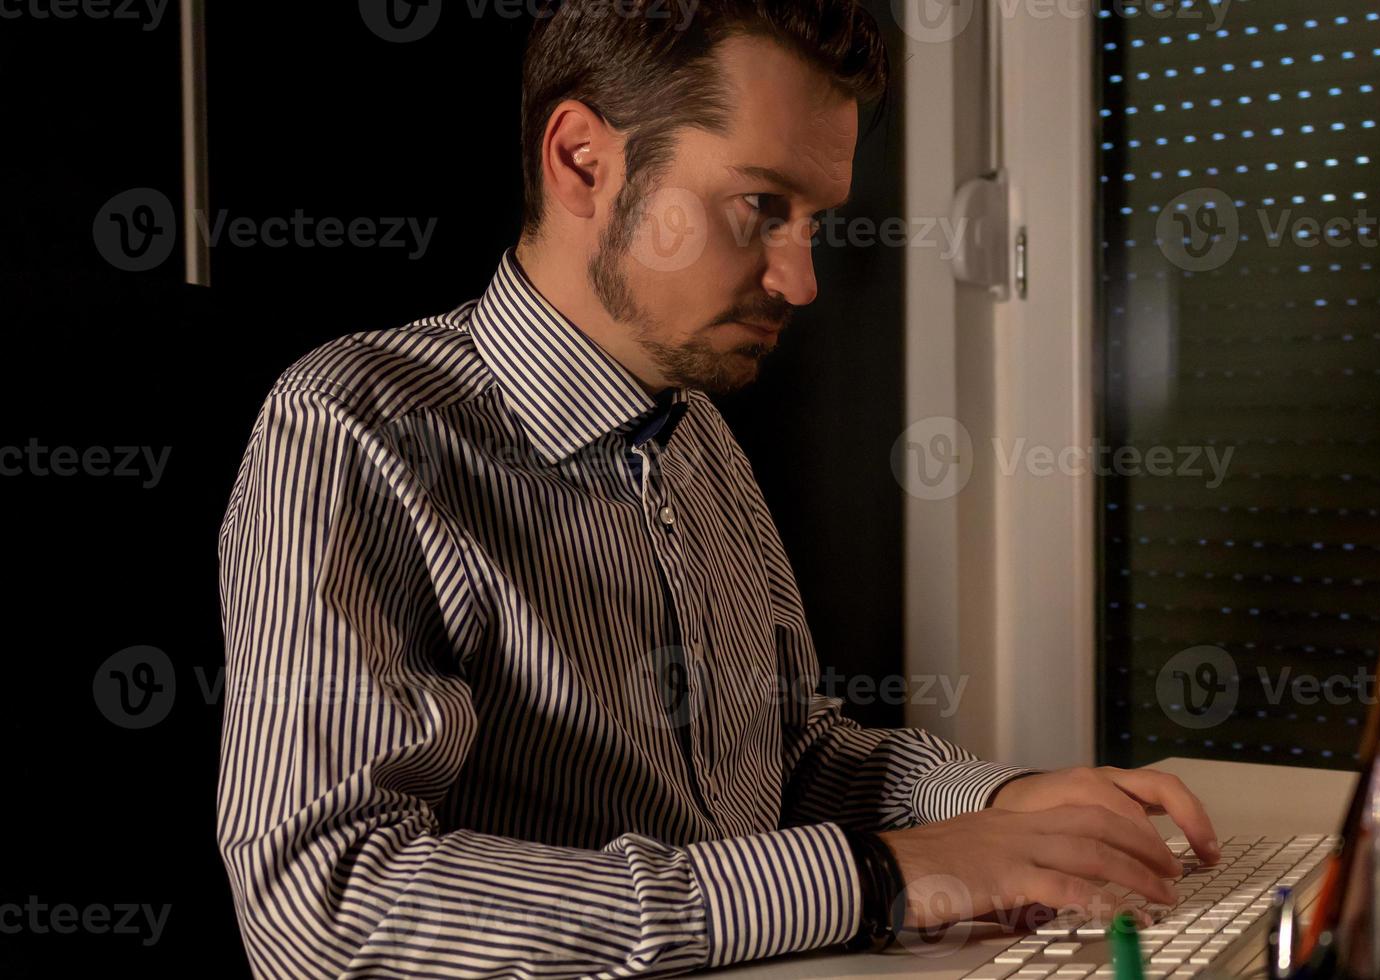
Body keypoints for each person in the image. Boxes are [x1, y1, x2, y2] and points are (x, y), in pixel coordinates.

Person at [214, 2, 1219, 976]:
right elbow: (324, 906)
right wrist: (875, 877)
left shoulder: (696, 430)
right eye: (759, 207)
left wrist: (1009, 798)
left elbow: (796, 756)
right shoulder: (352, 427)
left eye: (815, 221)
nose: (802, 279)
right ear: (583, 161)